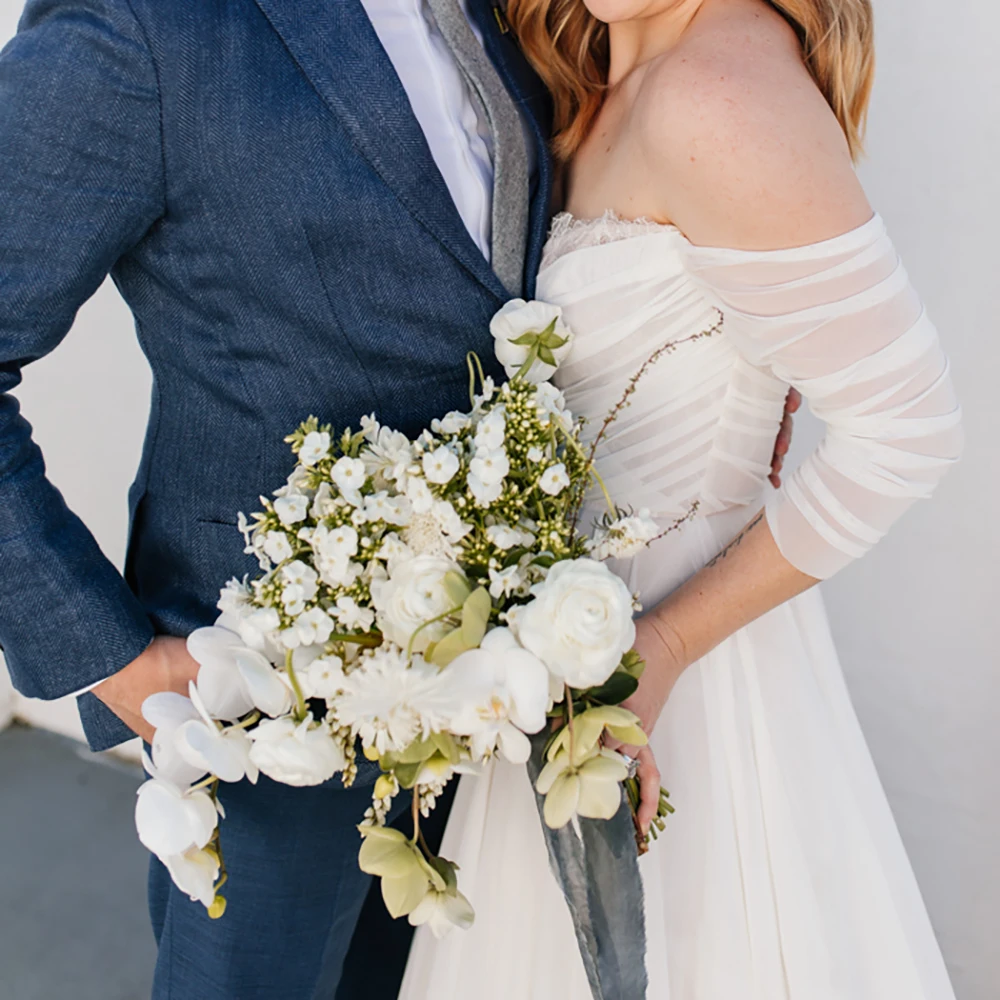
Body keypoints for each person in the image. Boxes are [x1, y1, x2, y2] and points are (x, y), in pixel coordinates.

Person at [400, 0, 963, 997]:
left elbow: (907, 433)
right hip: (563, 672)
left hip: (680, 686)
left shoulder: (714, 95)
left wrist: (656, 649)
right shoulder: (585, 77)